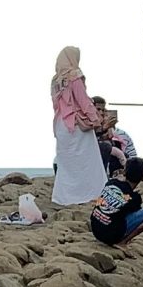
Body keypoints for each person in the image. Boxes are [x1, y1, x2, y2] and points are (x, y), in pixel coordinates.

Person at [50, 47, 105, 206]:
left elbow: (56, 105)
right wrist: (96, 119)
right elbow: (84, 101)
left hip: (61, 125)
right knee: (88, 160)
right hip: (76, 125)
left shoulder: (55, 81)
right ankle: (90, 194)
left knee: (67, 164)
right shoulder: (74, 76)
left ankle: (64, 197)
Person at [89, 156, 143, 247]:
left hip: (95, 230)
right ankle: (123, 242)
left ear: (124, 171)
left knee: (121, 209)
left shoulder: (111, 183)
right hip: (111, 236)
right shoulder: (135, 198)